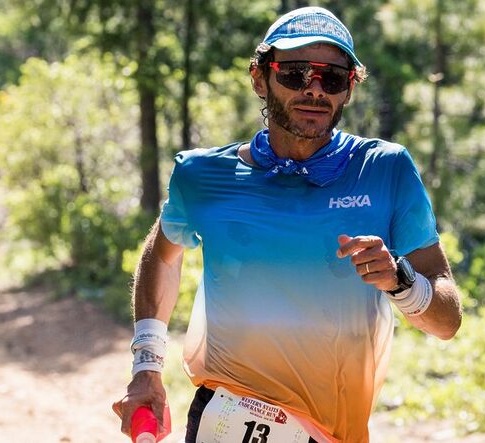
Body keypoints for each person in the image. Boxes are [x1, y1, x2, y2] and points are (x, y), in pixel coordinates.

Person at [115, 6, 462, 443]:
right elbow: (161, 255)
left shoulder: (385, 169)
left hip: (332, 430)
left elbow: (447, 320)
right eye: (296, 73)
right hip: (225, 412)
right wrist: (146, 365)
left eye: (332, 78)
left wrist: (402, 281)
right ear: (260, 78)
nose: (314, 90)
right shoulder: (203, 175)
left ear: (349, 89)